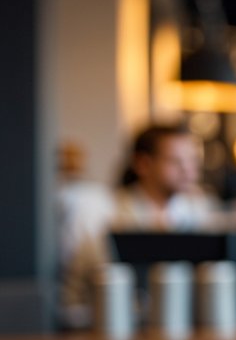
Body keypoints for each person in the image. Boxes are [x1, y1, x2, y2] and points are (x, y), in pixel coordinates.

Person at [60, 124, 221, 325]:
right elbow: (75, 294)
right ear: (143, 164)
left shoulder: (201, 213)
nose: (188, 171)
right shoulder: (106, 214)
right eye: (175, 161)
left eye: (192, 161)